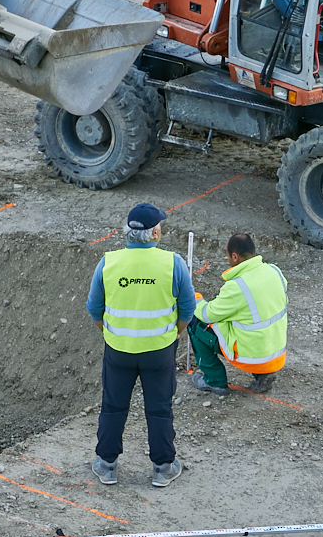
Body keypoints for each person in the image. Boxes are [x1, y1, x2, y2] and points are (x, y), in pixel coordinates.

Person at [86, 203, 195, 488]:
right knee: (159, 408)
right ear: (155, 232)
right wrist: (175, 333)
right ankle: (163, 467)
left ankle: (107, 465)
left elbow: (94, 308)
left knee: (113, 406)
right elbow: (187, 309)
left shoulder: (108, 263)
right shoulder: (173, 263)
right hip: (159, 351)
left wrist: (111, 333)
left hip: (118, 349)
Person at [187, 233, 287, 396]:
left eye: (228, 255)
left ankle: (214, 381)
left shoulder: (237, 287)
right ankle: (263, 375)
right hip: (275, 354)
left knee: (195, 322)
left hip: (251, 357)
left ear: (235, 256)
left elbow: (207, 315)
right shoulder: (274, 271)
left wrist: (195, 298)